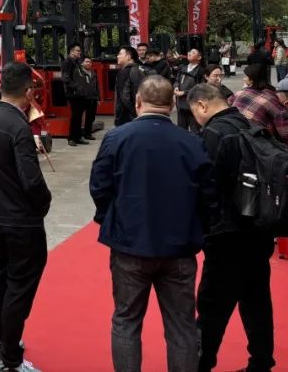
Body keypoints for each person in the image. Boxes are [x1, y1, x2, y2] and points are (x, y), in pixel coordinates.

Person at [89, 75, 213, 372]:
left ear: (137, 102)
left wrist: (112, 218)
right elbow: (210, 197)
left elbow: (100, 187)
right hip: (179, 245)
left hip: (131, 243)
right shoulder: (192, 142)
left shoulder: (117, 138)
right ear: (172, 104)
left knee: (126, 320)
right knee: (181, 325)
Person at [188, 83, 277, 372]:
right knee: (257, 302)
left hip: (227, 234)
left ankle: (201, 365)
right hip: (259, 230)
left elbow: (207, 185)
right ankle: (260, 363)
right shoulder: (252, 126)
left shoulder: (215, 133)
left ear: (202, 105)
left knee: (211, 308)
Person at [0, 62, 51, 372]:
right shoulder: (19, 127)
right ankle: (10, 358)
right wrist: (43, 202)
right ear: (29, 92)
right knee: (19, 285)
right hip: (21, 219)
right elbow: (31, 180)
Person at [231, 62, 288, 149]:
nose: (243, 79)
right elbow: (286, 135)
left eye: (246, 76)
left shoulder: (239, 93)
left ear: (252, 79)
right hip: (254, 146)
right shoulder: (272, 102)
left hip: (233, 139)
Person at [173, 49, 207, 132]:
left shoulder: (201, 71)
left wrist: (184, 92)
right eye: (189, 52)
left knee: (195, 130)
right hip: (180, 103)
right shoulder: (183, 67)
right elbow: (177, 80)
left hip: (193, 105)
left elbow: (200, 87)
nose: (189, 53)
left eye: (193, 52)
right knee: (181, 129)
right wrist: (176, 87)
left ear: (199, 57)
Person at [61, 43, 88, 147]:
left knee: (79, 115)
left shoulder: (77, 62)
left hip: (80, 93)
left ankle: (78, 137)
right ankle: (71, 138)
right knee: (75, 116)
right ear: (71, 51)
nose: (79, 52)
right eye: (77, 51)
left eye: (80, 51)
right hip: (73, 93)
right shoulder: (67, 62)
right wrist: (76, 87)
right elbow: (65, 78)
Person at [114, 46, 143, 126]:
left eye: (120, 54)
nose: (117, 56)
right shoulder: (138, 70)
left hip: (126, 116)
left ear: (128, 57)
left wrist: (133, 112)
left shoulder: (125, 72)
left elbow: (125, 97)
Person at [75, 56, 101, 141]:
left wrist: (98, 98)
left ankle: (88, 134)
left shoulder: (93, 73)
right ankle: (78, 134)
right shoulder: (79, 72)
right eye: (86, 62)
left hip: (93, 98)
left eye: (90, 62)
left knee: (91, 117)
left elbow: (97, 86)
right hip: (82, 98)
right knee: (79, 117)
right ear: (82, 63)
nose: (88, 63)